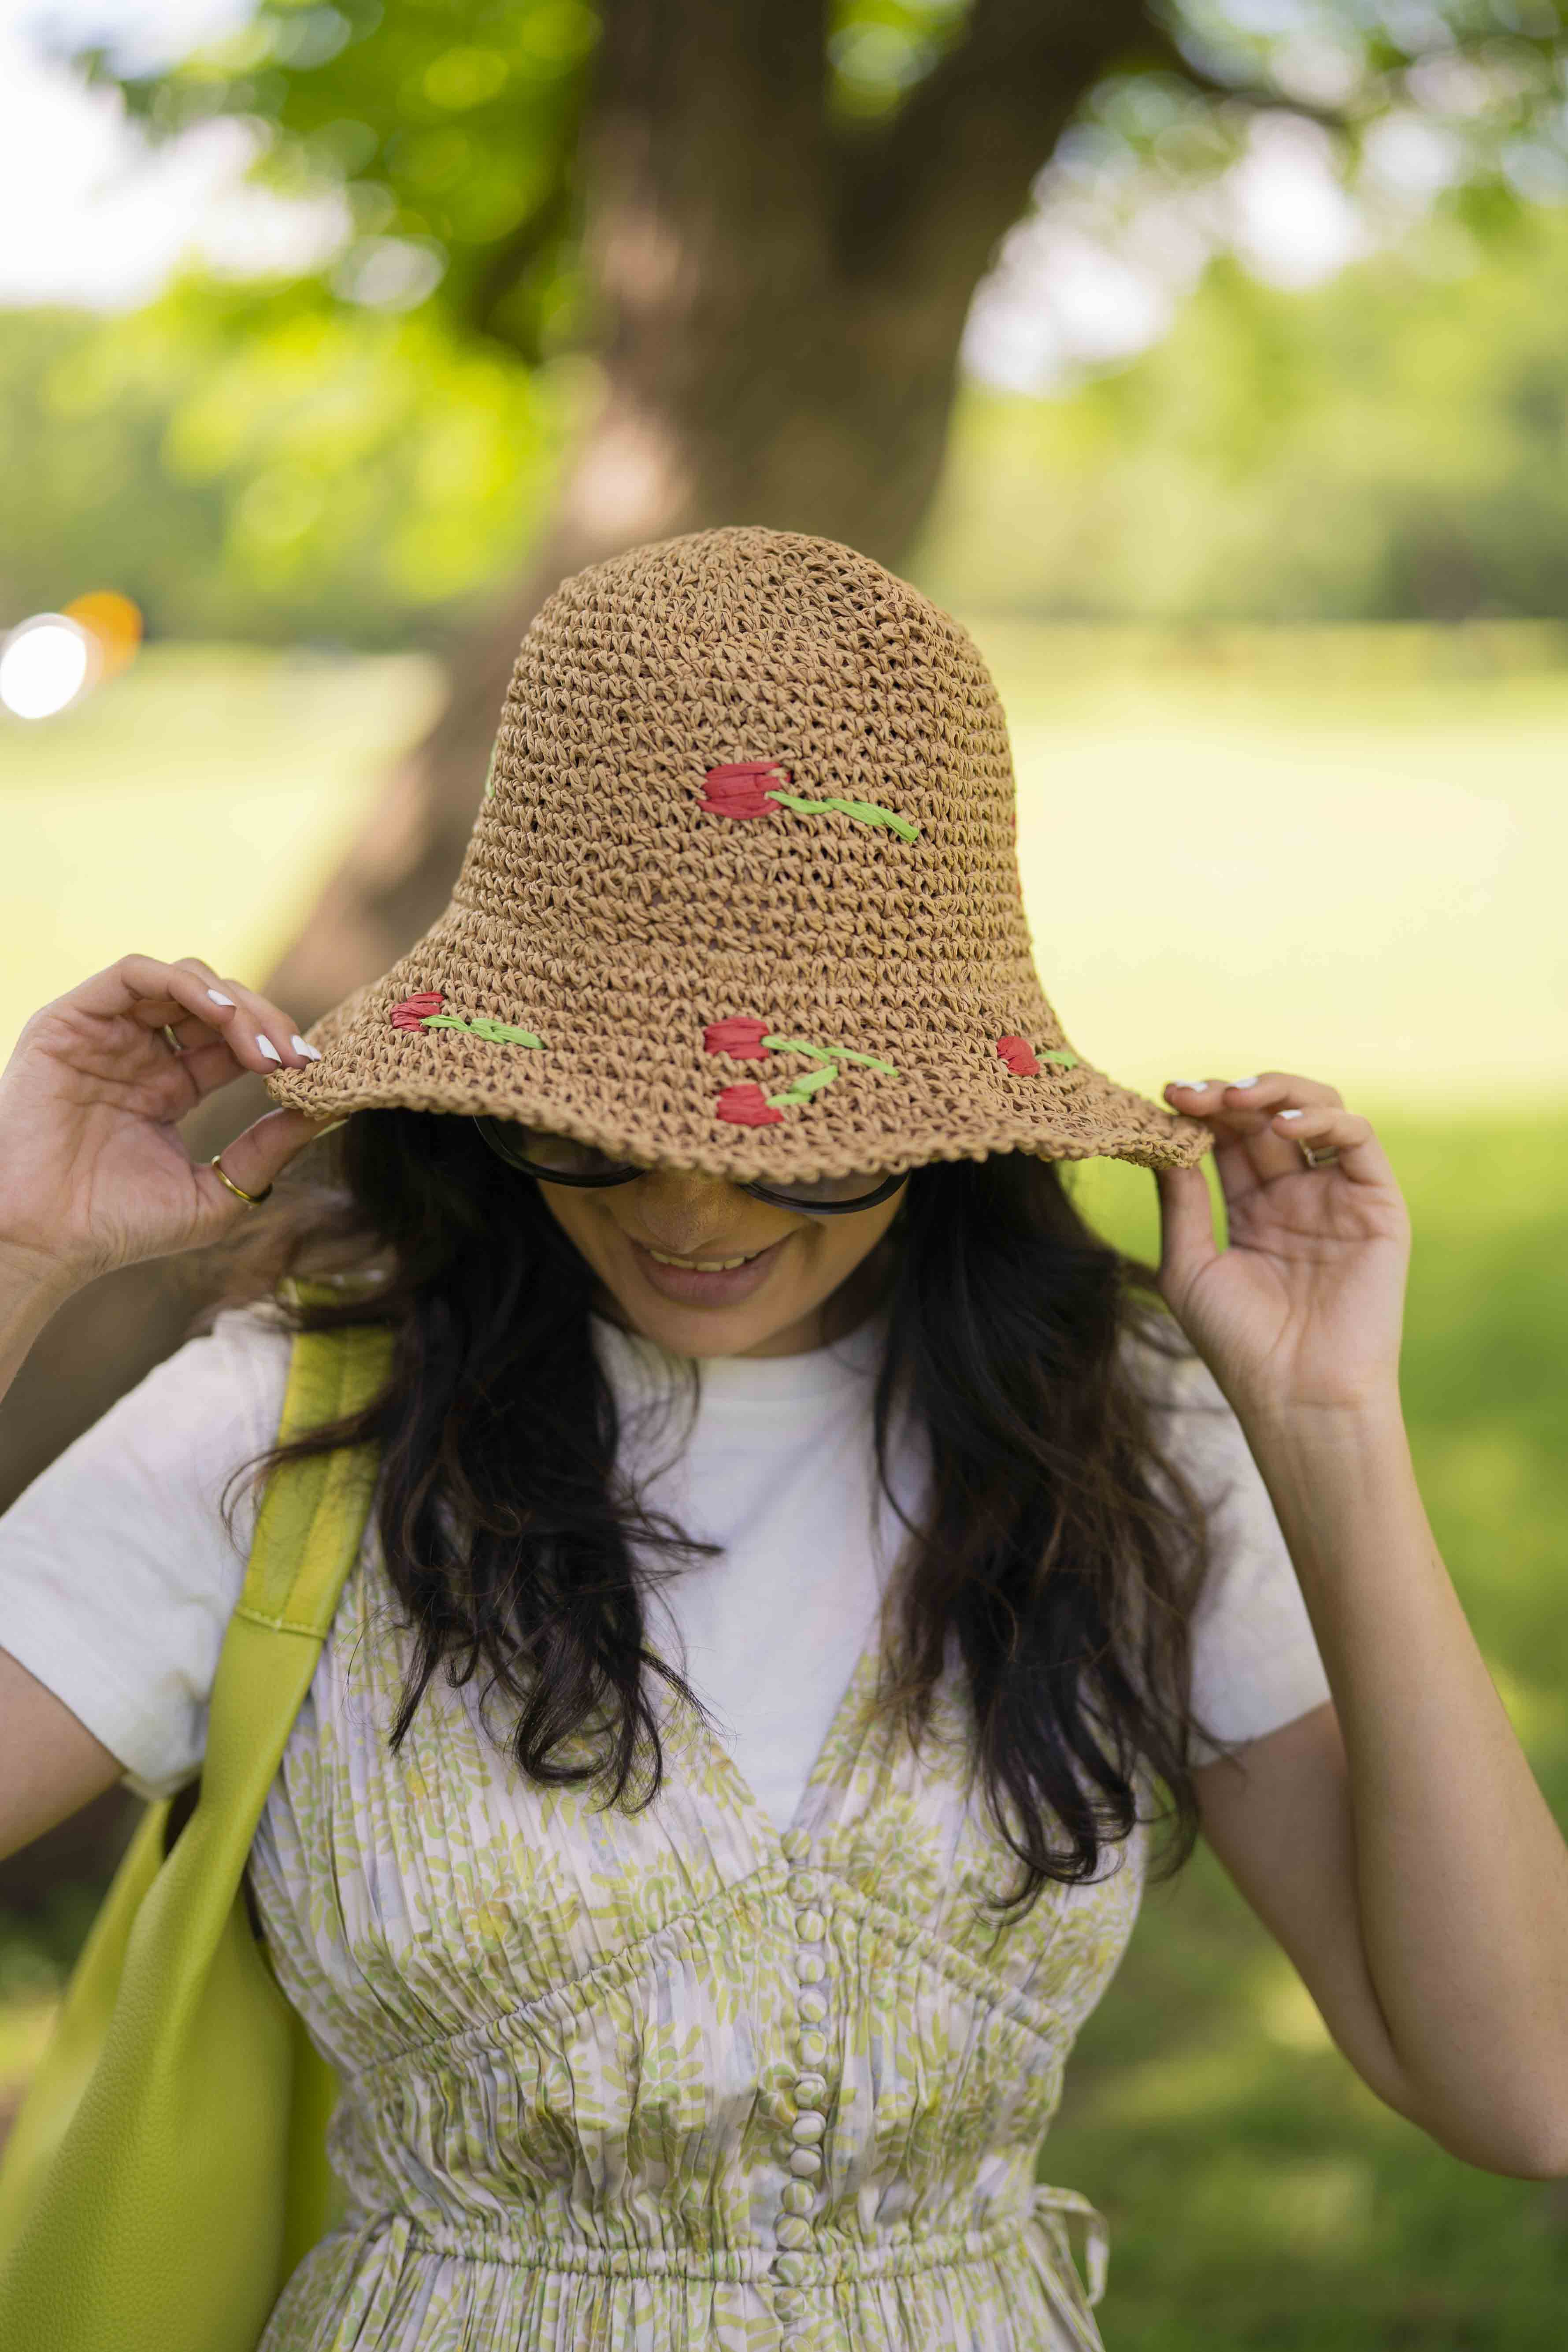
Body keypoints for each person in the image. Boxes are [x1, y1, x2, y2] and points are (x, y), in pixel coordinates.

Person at [2, 527, 1563, 2352]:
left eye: (804, 1135)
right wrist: (13, 1258)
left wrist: (1323, 1427)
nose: (694, 1209)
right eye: (588, 1124)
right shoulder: (290, 1419)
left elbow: (1519, 2086)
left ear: (951, 1107)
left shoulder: (1121, 1440)